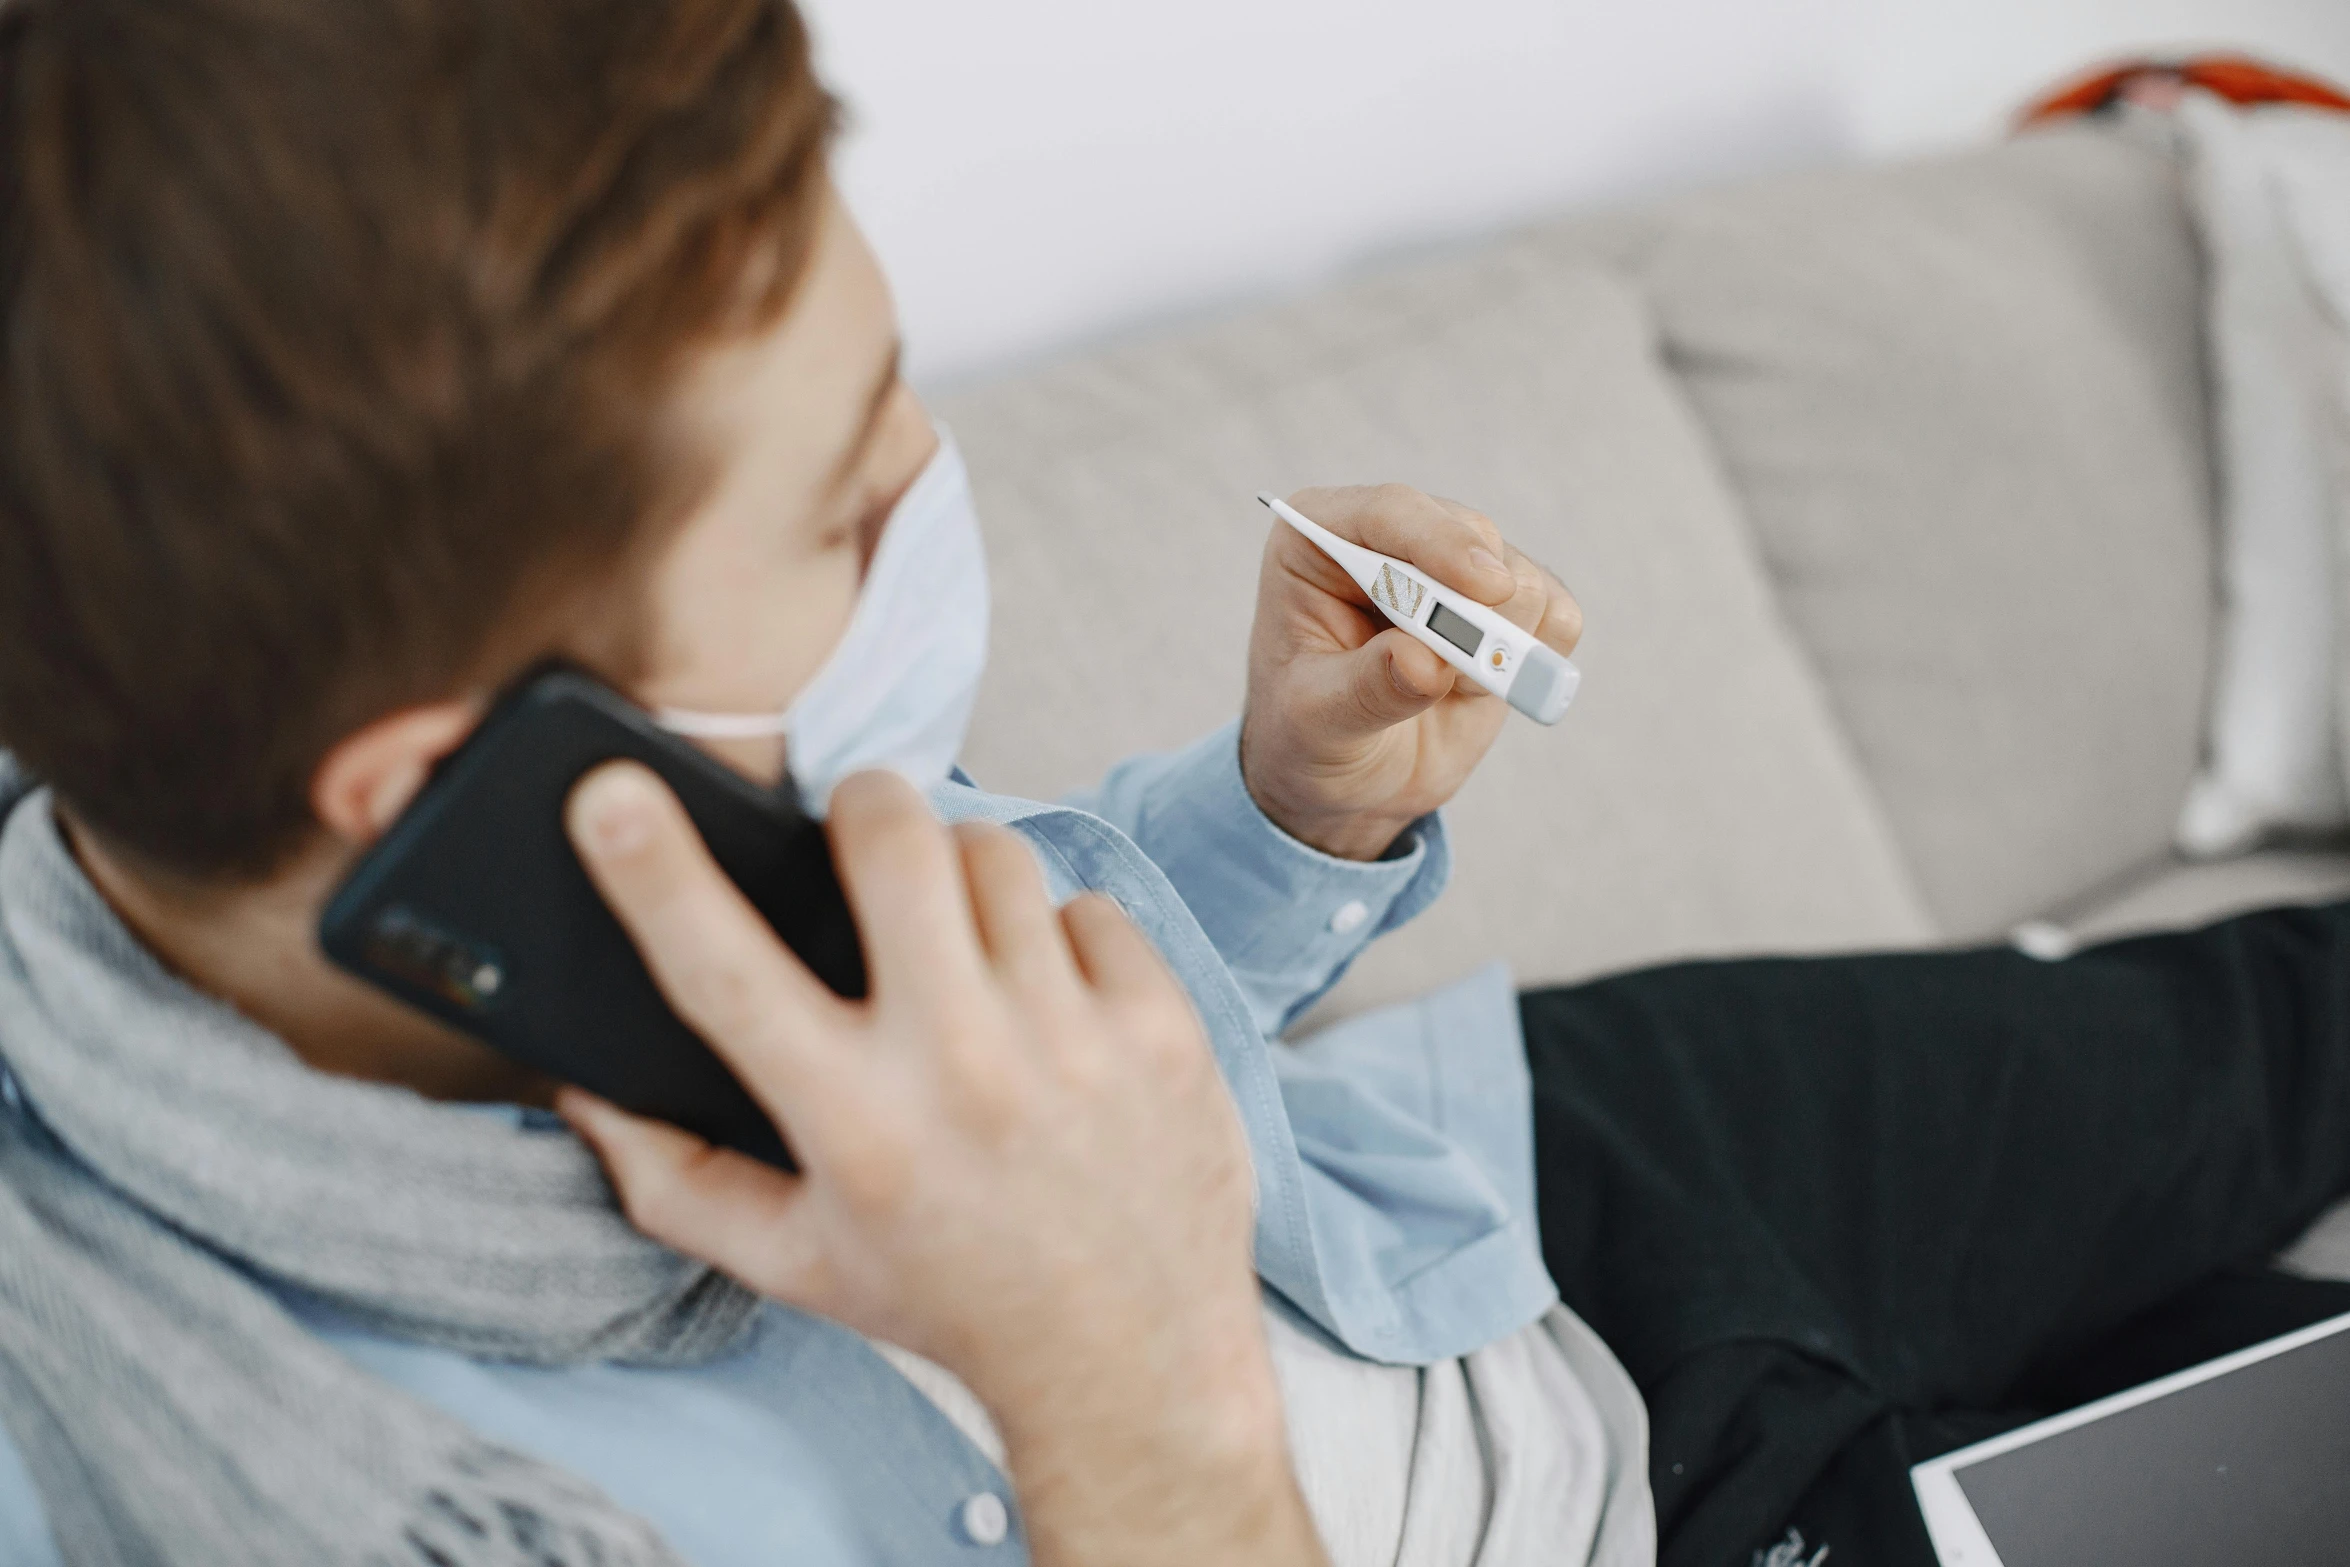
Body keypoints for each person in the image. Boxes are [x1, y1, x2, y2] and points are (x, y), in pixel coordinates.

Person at [2, 4, 2349, 1567]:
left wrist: (1271, 822)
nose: (930, 473)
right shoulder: (242, 1471)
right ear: (456, 791)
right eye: (840, 500)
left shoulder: (636, 875)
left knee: (2279, 1036)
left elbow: (1043, 975)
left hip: (1506, 1192)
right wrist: (1116, 1389)